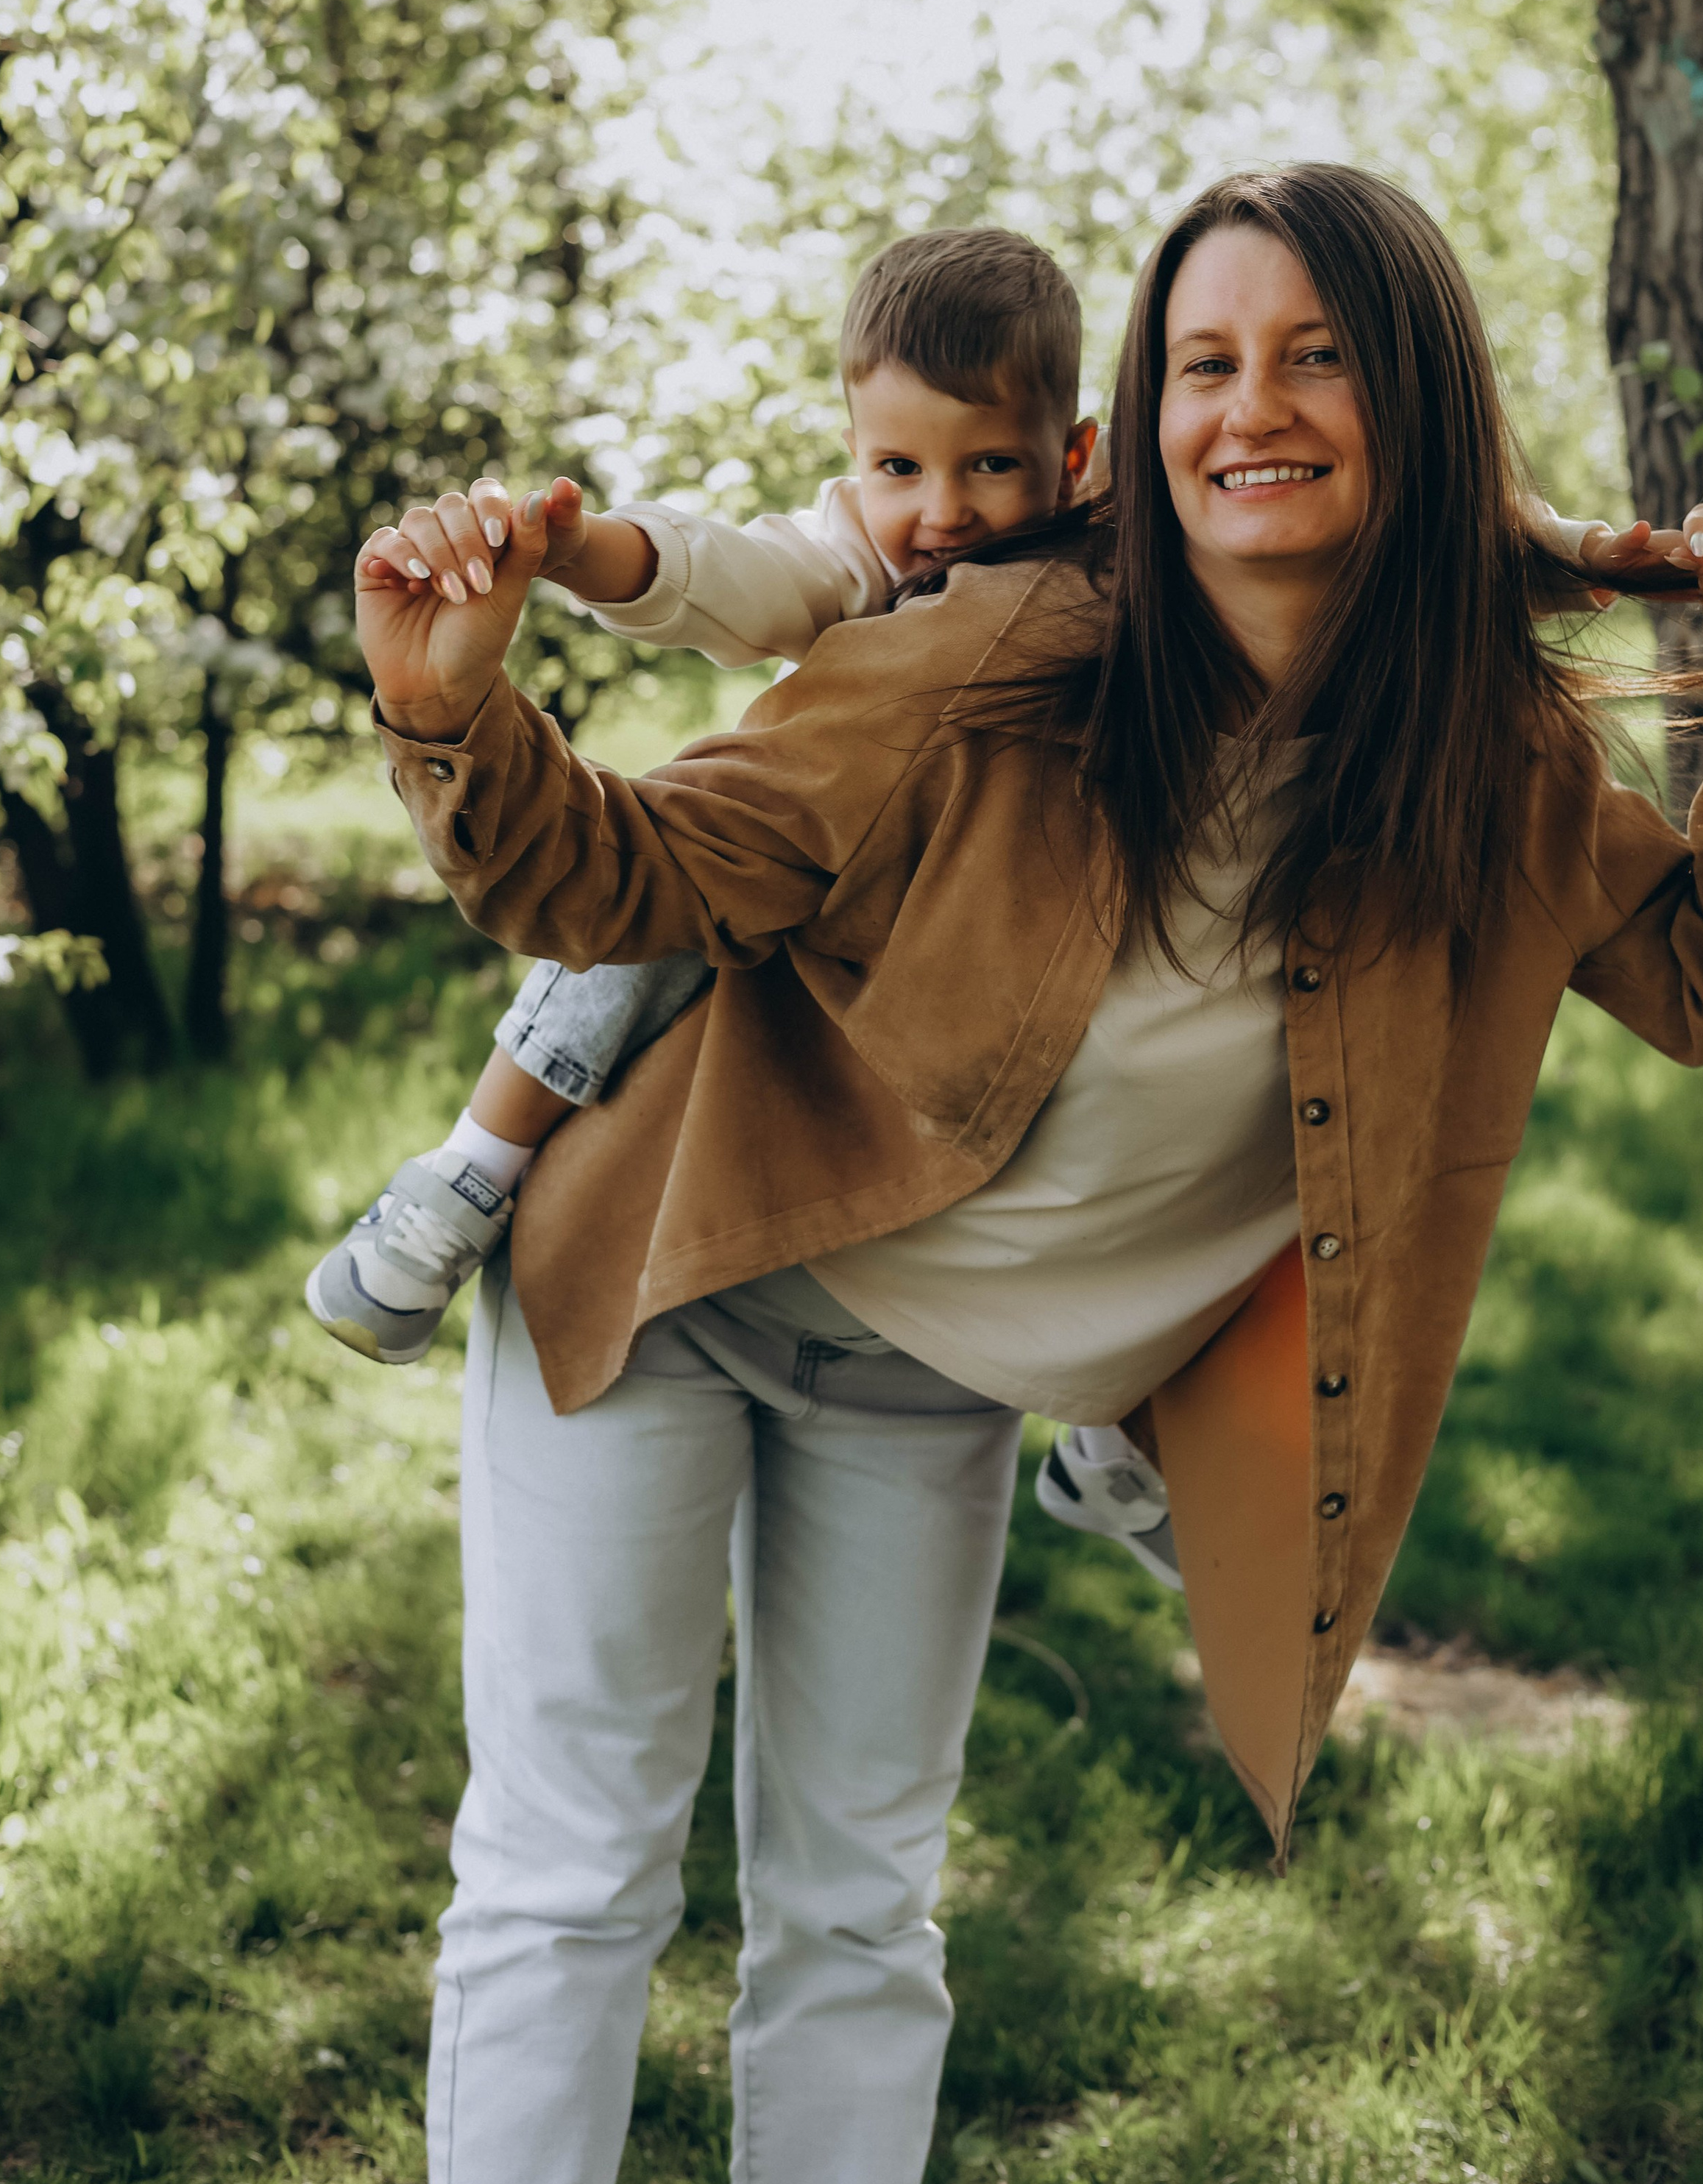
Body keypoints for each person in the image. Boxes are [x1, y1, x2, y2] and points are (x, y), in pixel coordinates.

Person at [357, 165, 1703, 2184]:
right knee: (574, 1862)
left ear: (1415, 402)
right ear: (1141, 427)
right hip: (673, 1266)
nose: (1255, 408)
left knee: (862, 1910)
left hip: (928, 1380)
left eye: (1318, 358)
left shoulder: (1486, 760)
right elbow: (623, 879)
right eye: (1206, 363)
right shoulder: (996, 653)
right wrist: (454, 714)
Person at [314, 219, 1624, 1586]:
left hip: (924, 1274)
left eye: (988, 466)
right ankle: (468, 1171)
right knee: (633, 953)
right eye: (897, 468)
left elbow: (1440, 513)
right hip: (767, 906)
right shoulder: (884, 577)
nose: (939, 510)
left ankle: (1138, 1419)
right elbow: (735, 583)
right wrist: (592, 564)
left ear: (1075, 458)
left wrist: (1589, 557)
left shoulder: (1150, 571)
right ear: (856, 458)